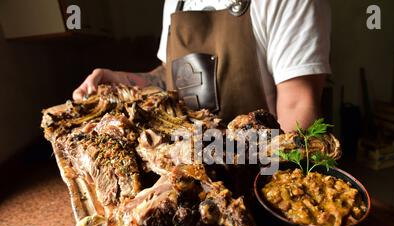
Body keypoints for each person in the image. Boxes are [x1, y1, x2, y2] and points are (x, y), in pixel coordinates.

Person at [72, 0, 331, 132]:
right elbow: (168, 77)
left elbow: (298, 102)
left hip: (258, 171)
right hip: (188, 170)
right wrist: (118, 80)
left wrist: (275, 186)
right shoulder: (176, 1)